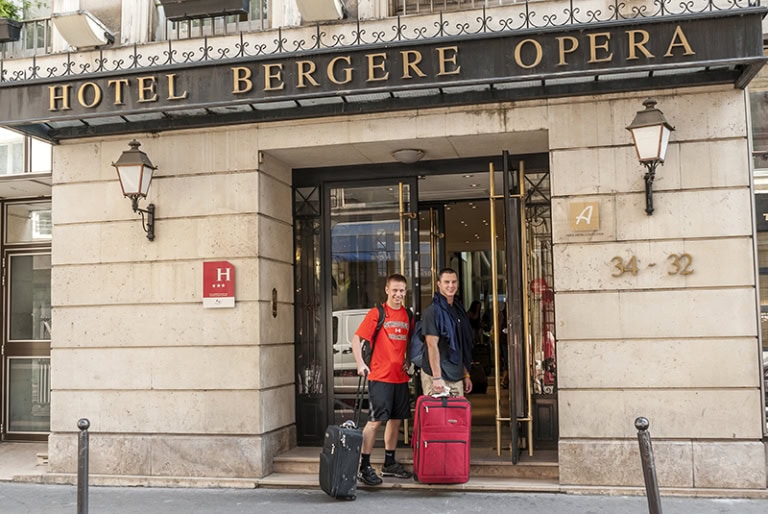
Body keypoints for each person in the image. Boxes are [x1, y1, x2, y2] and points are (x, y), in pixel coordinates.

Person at [351, 273, 414, 486]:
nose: (398, 294)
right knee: (374, 422)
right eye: (394, 290)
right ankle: (364, 466)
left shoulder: (408, 315)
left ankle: (389, 463)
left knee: (395, 421)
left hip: (400, 378)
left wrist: (408, 359)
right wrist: (360, 363)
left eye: (402, 290)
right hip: (379, 376)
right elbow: (356, 339)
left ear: (406, 292)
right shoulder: (377, 313)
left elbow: (410, 342)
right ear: (387, 290)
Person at [421, 268, 474, 397]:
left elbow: (459, 345)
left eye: (454, 282)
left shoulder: (458, 310)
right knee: (437, 416)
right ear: (439, 284)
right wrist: (437, 377)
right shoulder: (432, 312)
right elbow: (431, 345)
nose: (451, 286)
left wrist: (465, 374)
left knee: (456, 416)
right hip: (436, 376)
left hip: (456, 374)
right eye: (447, 282)